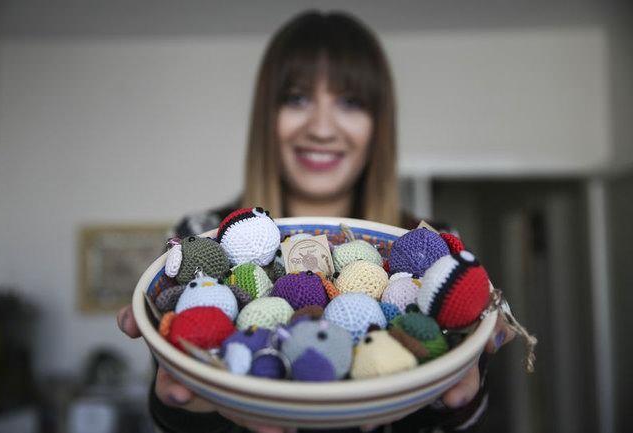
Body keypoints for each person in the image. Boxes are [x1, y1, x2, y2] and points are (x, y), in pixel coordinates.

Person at [117, 10, 515, 433]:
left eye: (350, 102)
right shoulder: (198, 237)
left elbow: (459, 404)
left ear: (378, 124)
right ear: (266, 118)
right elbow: (172, 392)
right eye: (297, 99)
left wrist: (453, 395)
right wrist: (194, 407)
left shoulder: (435, 244)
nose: (322, 129)